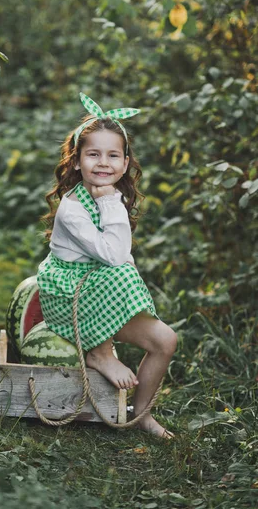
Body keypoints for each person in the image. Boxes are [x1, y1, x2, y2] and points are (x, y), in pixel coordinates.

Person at [36, 92, 177, 438]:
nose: (103, 163)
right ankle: (99, 353)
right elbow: (114, 257)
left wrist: (113, 203)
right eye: (93, 154)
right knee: (121, 269)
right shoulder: (74, 207)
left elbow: (118, 255)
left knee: (166, 341)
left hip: (99, 291)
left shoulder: (110, 197)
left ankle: (141, 414)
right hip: (68, 296)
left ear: (125, 164)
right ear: (76, 161)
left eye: (113, 155)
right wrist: (112, 204)